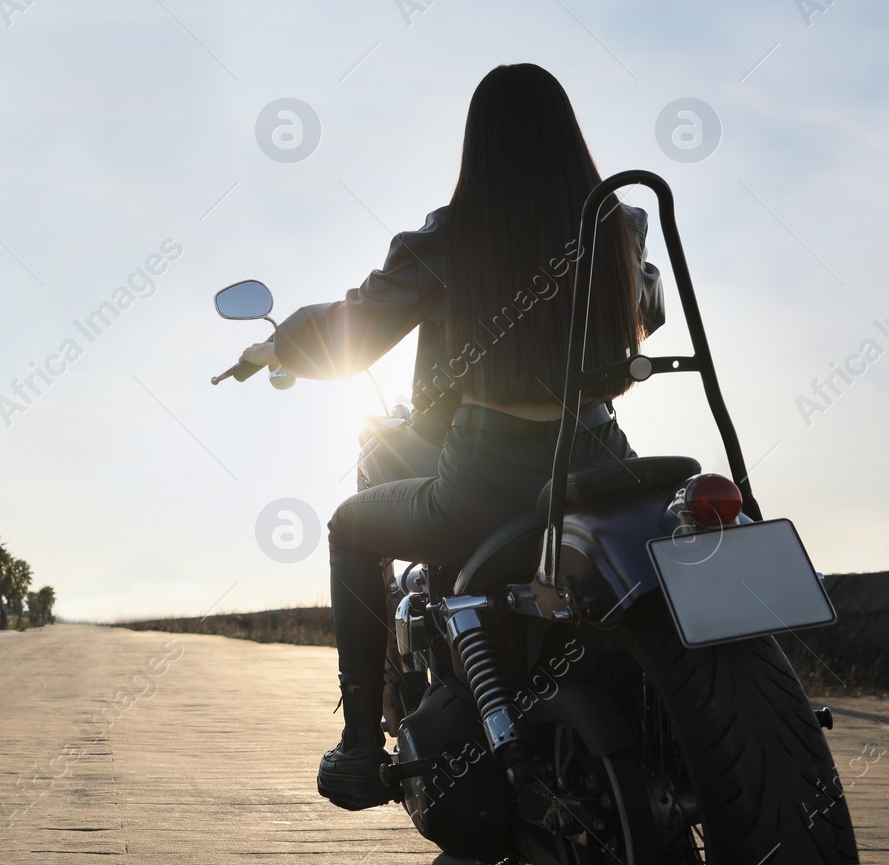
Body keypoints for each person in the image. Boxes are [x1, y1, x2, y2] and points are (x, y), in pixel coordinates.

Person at [236, 63, 666, 811]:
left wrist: (280, 347)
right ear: (570, 136)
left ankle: (364, 748)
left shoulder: (454, 234)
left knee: (349, 527)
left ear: (480, 145)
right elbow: (646, 314)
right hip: (604, 463)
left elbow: (358, 324)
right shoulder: (624, 224)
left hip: (490, 477)